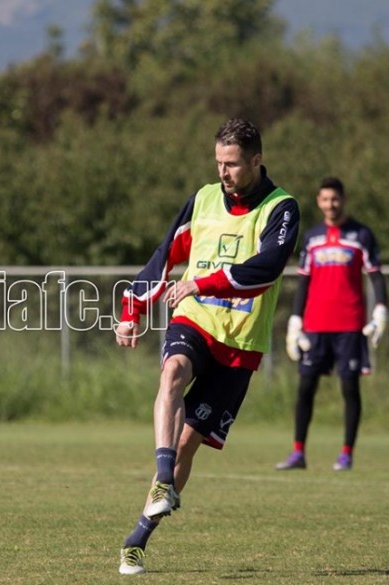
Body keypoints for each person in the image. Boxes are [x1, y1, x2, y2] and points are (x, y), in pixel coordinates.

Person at [114, 118, 300, 575]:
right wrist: (131, 307)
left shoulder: (283, 208)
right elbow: (167, 253)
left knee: (188, 445)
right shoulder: (202, 198)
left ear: (256, 160)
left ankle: (138, 537)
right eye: (218, 162)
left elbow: (267, 268)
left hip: (241, 341)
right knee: (172, 371)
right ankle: (162, 481)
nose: (223, 172)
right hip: (195, 320)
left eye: (232, 164)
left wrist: (201, 282)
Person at [275, 177, 387, 472]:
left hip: (350, 325)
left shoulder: (361, 235)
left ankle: (346, 454)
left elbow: (376, 275)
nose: (330, 205)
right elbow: (303, 282)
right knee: (305, 387)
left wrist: (380, 312)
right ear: (318, 201)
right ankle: (298, 453)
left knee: (349, 387)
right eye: (325, 199)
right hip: (315, 324)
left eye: (335, 199)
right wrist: (295, 321)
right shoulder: (311, 238)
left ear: (343, 199)